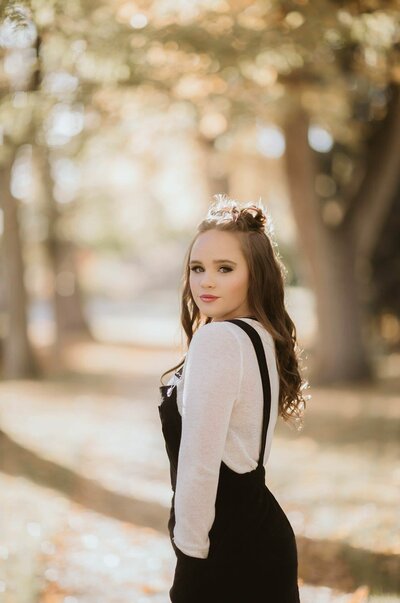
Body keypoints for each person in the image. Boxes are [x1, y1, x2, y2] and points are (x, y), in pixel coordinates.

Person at [158, 194, 309, 602]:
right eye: (197, 268)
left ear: (254, 275)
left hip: (226, 549)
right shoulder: (260, 336)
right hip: (261, 536)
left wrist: (189, 557)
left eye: (225, 269)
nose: (206, 281)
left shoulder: (218, 339)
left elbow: (200, 463)